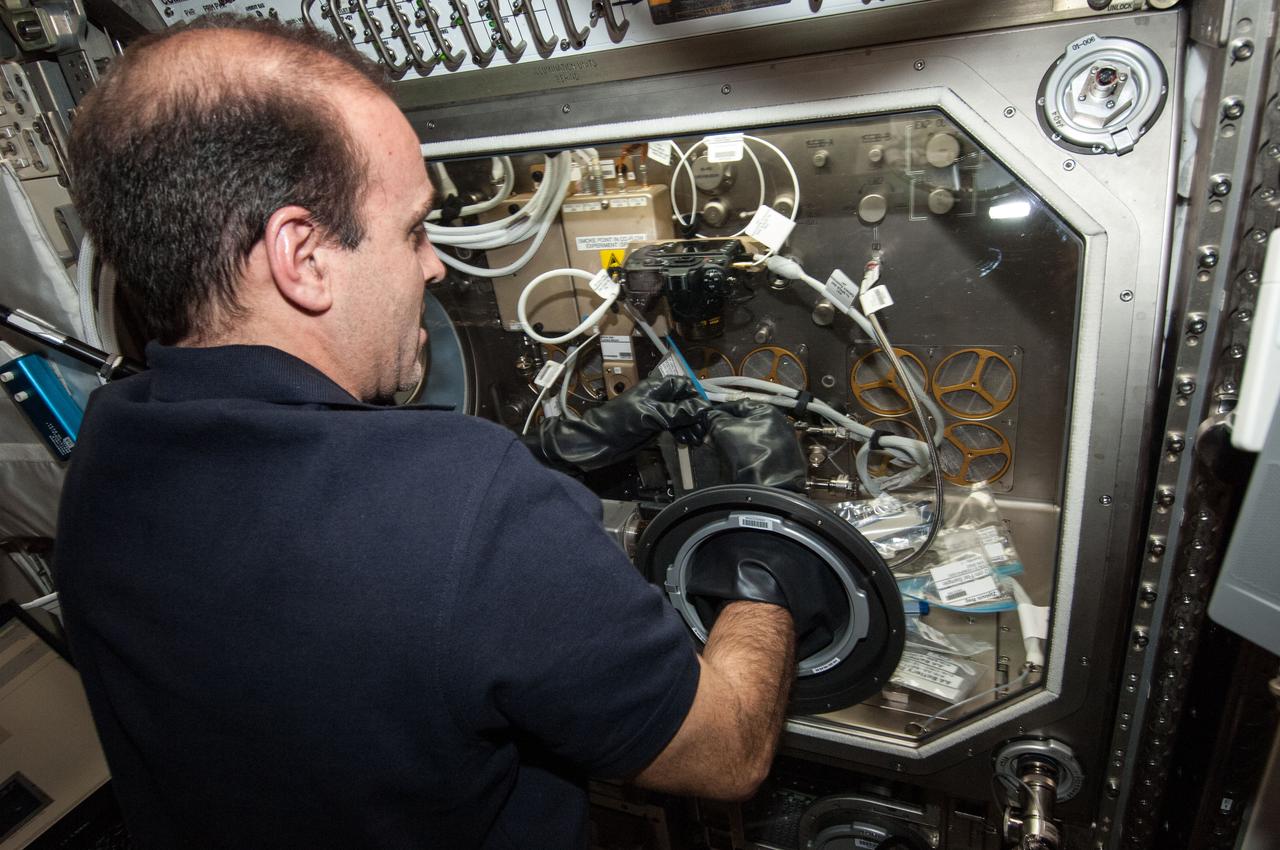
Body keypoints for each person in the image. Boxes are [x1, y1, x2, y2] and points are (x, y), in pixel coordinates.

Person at [54, 14, 802, 849]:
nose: (435, 263)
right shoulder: (461, 499)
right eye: (412, 228)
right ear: (301, 256)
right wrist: (763, 541)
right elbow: (728, 752)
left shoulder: (107, 451)